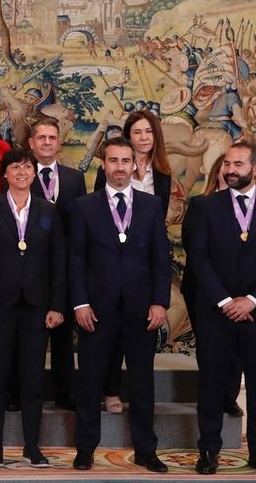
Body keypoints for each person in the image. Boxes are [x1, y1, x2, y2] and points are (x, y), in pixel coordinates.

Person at [187, 143, 256, 477]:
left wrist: (251, 300)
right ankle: (209, 451)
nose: (230, 169)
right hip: (216, 313)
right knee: (212, 384)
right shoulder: (205, 206)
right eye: (227, 163)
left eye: (238, 164)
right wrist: (225, 301)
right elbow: (199, 259)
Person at [70, 137, 170, 473]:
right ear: (104, 165)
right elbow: (77, 260)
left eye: (126, 161)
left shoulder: (152, 205)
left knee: (142, 382)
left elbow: (160, 259)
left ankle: (146, 450)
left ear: (135, 165)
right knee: (90, 382)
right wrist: (80, 303)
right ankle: (85, 449)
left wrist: (160, 302)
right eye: (113, 161)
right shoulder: (85, 206)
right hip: (96, 310)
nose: (119, 168)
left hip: (141, 311)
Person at [0, 148, 66, 467]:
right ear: (5, 174)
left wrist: (56, 305)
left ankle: (31, 445)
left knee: (32, 378)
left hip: (37, 309)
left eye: (27, 167)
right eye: (15, 167)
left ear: (33, 173)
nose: (22, 172)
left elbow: (58, 262)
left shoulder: (48, 210)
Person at [92, 109, 171, 414]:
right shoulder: (111, 167)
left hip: (142, 262)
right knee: (110, 338)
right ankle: (110, 390)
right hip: (110, 263)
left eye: (148, 132)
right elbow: (99, 213)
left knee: (138, 345)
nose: (143, 138)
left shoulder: (161, 174)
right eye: (137, 132)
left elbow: (158, 219)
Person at [28, 117, 88, 410]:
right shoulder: (21, 175)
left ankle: (67, 393)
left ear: (59, 142)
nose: (47, 142)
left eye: (52, 137)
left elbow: (81, 225)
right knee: (32, 337)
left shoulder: (75, 178)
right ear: (31, 143)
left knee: (63, 336)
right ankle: (28, 393)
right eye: (41, 138)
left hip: (63, 267)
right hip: (31, 268)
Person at [180, 155, 244, 419]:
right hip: (203, 290)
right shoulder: (199, 204)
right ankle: (212, 398)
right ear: (216, 174)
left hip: (240, 293)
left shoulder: (251, 207)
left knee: (236, 350)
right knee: (211, 349)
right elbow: (193, 247)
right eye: (224, 168)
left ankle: (229, 397)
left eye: (235, 167)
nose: (229, 172)